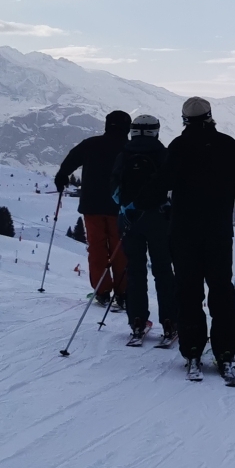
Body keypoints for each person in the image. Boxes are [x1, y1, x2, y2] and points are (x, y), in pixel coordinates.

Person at [165, 96, 235, 384]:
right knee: (221, 290)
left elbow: (159, 185)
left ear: (184, 121)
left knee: (188, 291)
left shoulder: (177, 147)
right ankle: (225, 352)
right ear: (210, 116)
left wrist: (138, 208)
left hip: (183, 233)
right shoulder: (227, 145)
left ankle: (193, 349)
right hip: (218, 233)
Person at [53, 109, 133, 306]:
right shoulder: (130, 148)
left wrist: (62, 175)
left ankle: (102, 290)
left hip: (92, 206)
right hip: (119, 208)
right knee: (120, 249)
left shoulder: (91, 144)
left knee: (96, 248)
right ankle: (123, 292)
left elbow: (70, 160)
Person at [111, 113, 175, 348]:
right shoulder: (164, 154)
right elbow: (172, 187)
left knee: (135, 271)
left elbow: (114, 190)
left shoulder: (124, 155)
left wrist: (127, 208)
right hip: (159, 219)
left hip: (129, 220)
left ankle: (137, 321)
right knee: (163, 271)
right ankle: (169, 322)